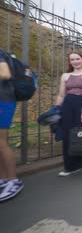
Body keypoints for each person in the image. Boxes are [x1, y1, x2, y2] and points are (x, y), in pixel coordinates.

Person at [55, 51, 82, 177]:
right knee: (67, 134)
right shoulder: (65, 76)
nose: (75, 61)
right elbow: (61, 94)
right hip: (67, 105)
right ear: (69, 62)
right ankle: (70, 166)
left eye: (77, 59)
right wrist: (56, 109)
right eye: (72, 59)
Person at [0, 51, 23, 202]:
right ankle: (3, 178)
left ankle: (13, 181)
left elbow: (5, 74)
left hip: (3, 100)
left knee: (1, 142)